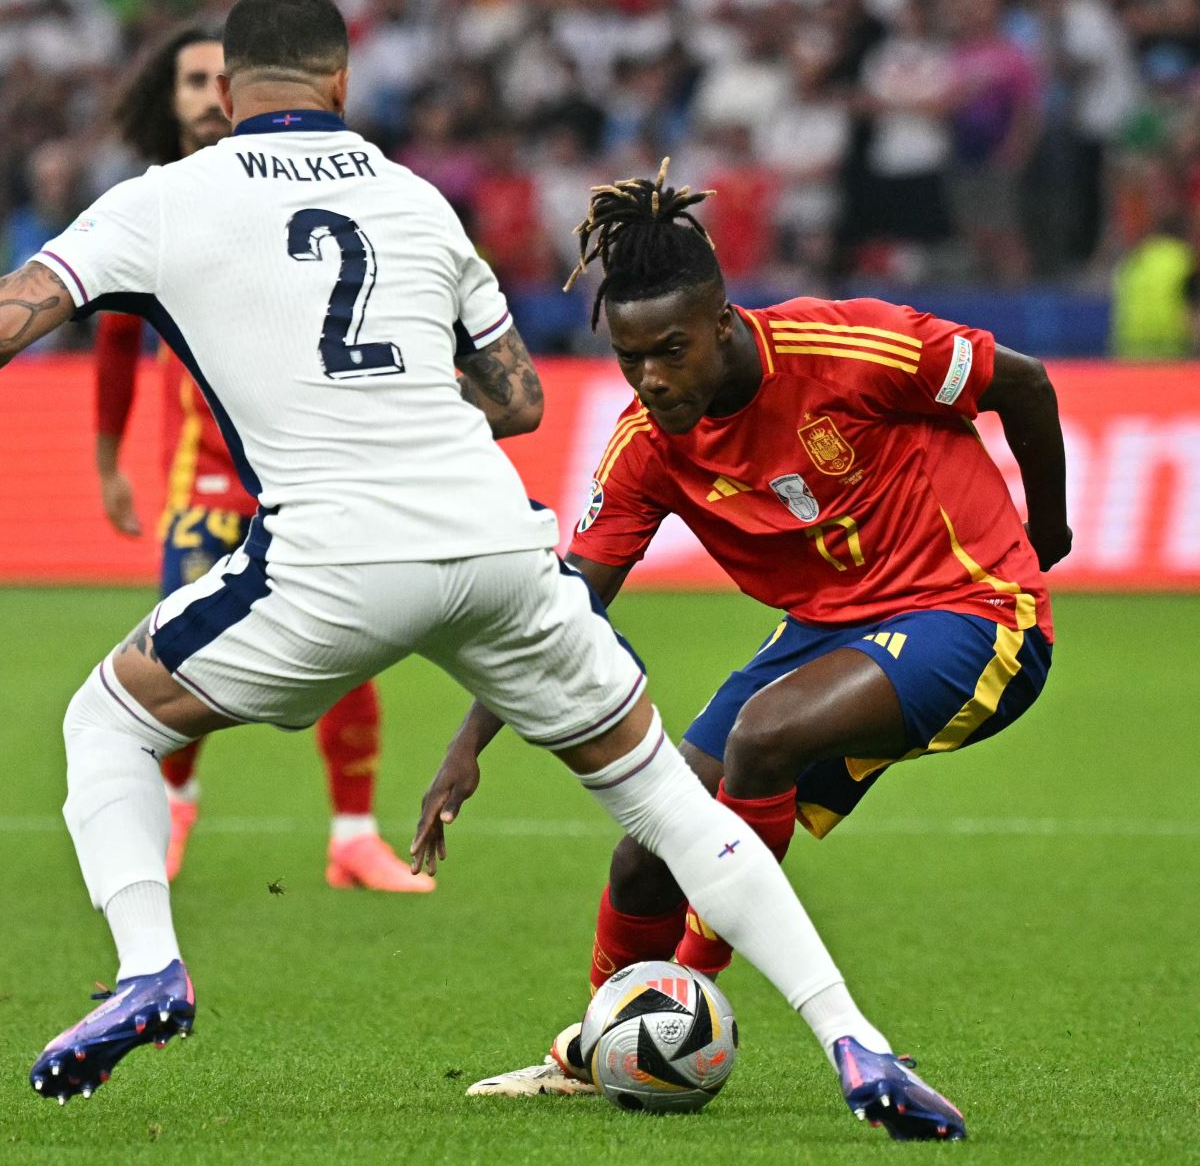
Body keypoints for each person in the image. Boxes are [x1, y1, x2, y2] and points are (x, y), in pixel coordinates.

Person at [0, 0, 922, 1125]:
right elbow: (515, 399)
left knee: (108, 720)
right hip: (497, 542)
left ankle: (150, 968)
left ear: (230, 90)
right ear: (342, 82)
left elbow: (11, 308)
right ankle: (857, 1041)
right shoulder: (415, 199)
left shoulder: (165, 198)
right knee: (669, 803)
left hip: (337, 555)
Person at [418, 163, 1071, 1140]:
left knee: (763, 738)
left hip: (973, 611)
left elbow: (1022, 380)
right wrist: (471, 745)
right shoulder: (648, 443)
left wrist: (1046, 533)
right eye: (631, 358)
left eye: (670, 351)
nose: (652, 378)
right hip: (823, 631)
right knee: (646, 854)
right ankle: (602, 1045)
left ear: (722, 321)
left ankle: (682, 1001)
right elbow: (563, 602)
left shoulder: (849, 346)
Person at [91, 23, 417, 890]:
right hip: (209, 480)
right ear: (174, 99)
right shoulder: (158, 200)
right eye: (189, 80)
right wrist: (106, 457)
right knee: (183, 659)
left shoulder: (301, 185)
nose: (204, 95)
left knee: (352, 645)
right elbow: (117, 338)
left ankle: (352, 834)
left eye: (215, 79)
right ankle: (176, 811)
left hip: (317, 472)